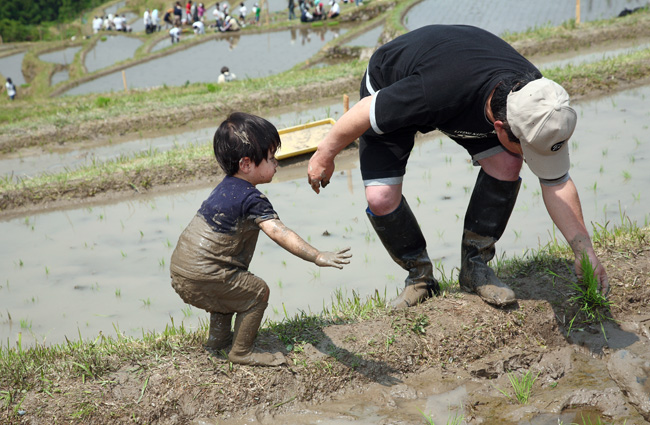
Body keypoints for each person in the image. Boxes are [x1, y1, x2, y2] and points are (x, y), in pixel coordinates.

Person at [307, 24, 609, 309]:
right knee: (381, 197)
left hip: (459, 87)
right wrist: (324, 155)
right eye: (527, 147)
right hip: (395, 81)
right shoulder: (434, 90)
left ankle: (475, 267)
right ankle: (420, 277)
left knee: (507, 162)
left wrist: (585, 253)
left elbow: (556, 182)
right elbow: (363, 112)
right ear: (500, 128)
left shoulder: (537, 103)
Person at [170, 112, 351, 366]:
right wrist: (317, 255)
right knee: (256, 292)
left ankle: (218, 341)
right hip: (206, 274)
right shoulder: (251, 198)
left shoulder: (224, 189)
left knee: (229, 290)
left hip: (181, 273)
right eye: (270, 158)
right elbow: (280, 232)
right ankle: (241, 351)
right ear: (246, 164)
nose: (276, 163)